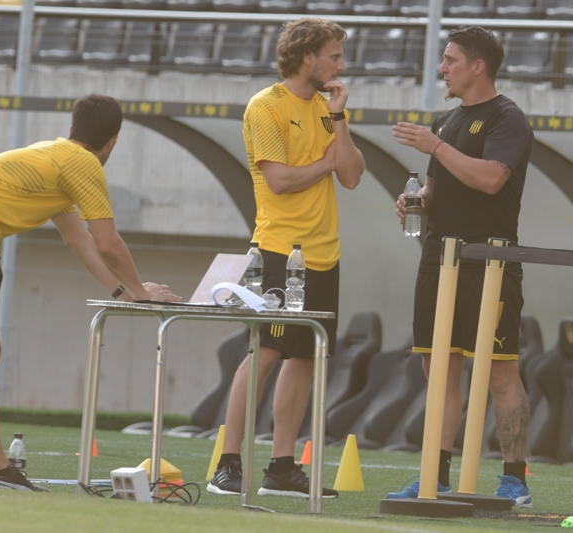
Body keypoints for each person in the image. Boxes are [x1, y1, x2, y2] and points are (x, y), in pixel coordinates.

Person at [0, 94, 181, 491]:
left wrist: (123, 290)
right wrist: (141, 292)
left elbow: (80, 240)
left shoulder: (56, 157)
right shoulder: (85, 164)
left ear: (73, 128)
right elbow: (107, 241)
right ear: (113, 141)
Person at [207, 17, 364, 499]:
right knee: (267, 353)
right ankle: (227, 464)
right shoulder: (266, 106)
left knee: (304, 358)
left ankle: (281, 467)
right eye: (335, 55)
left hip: (324, 252)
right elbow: (280, 180)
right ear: (307, 57)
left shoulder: (325, 107)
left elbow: (353, 176)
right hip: (279, 249)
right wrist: (326, 164)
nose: (342, 64)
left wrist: (338, 119)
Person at [387, 27, 534, 507]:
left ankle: (515, 481)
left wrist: (434, 147)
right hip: (439, 258)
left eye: (449, 59)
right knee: (439, 369)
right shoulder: (446, 121)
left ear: (478, 67)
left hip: (488, 261)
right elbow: (438, 189)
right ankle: (437, 475)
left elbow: (491, 179)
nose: (442, 68)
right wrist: (416, 202)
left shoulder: (507, 118)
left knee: (499, 373)